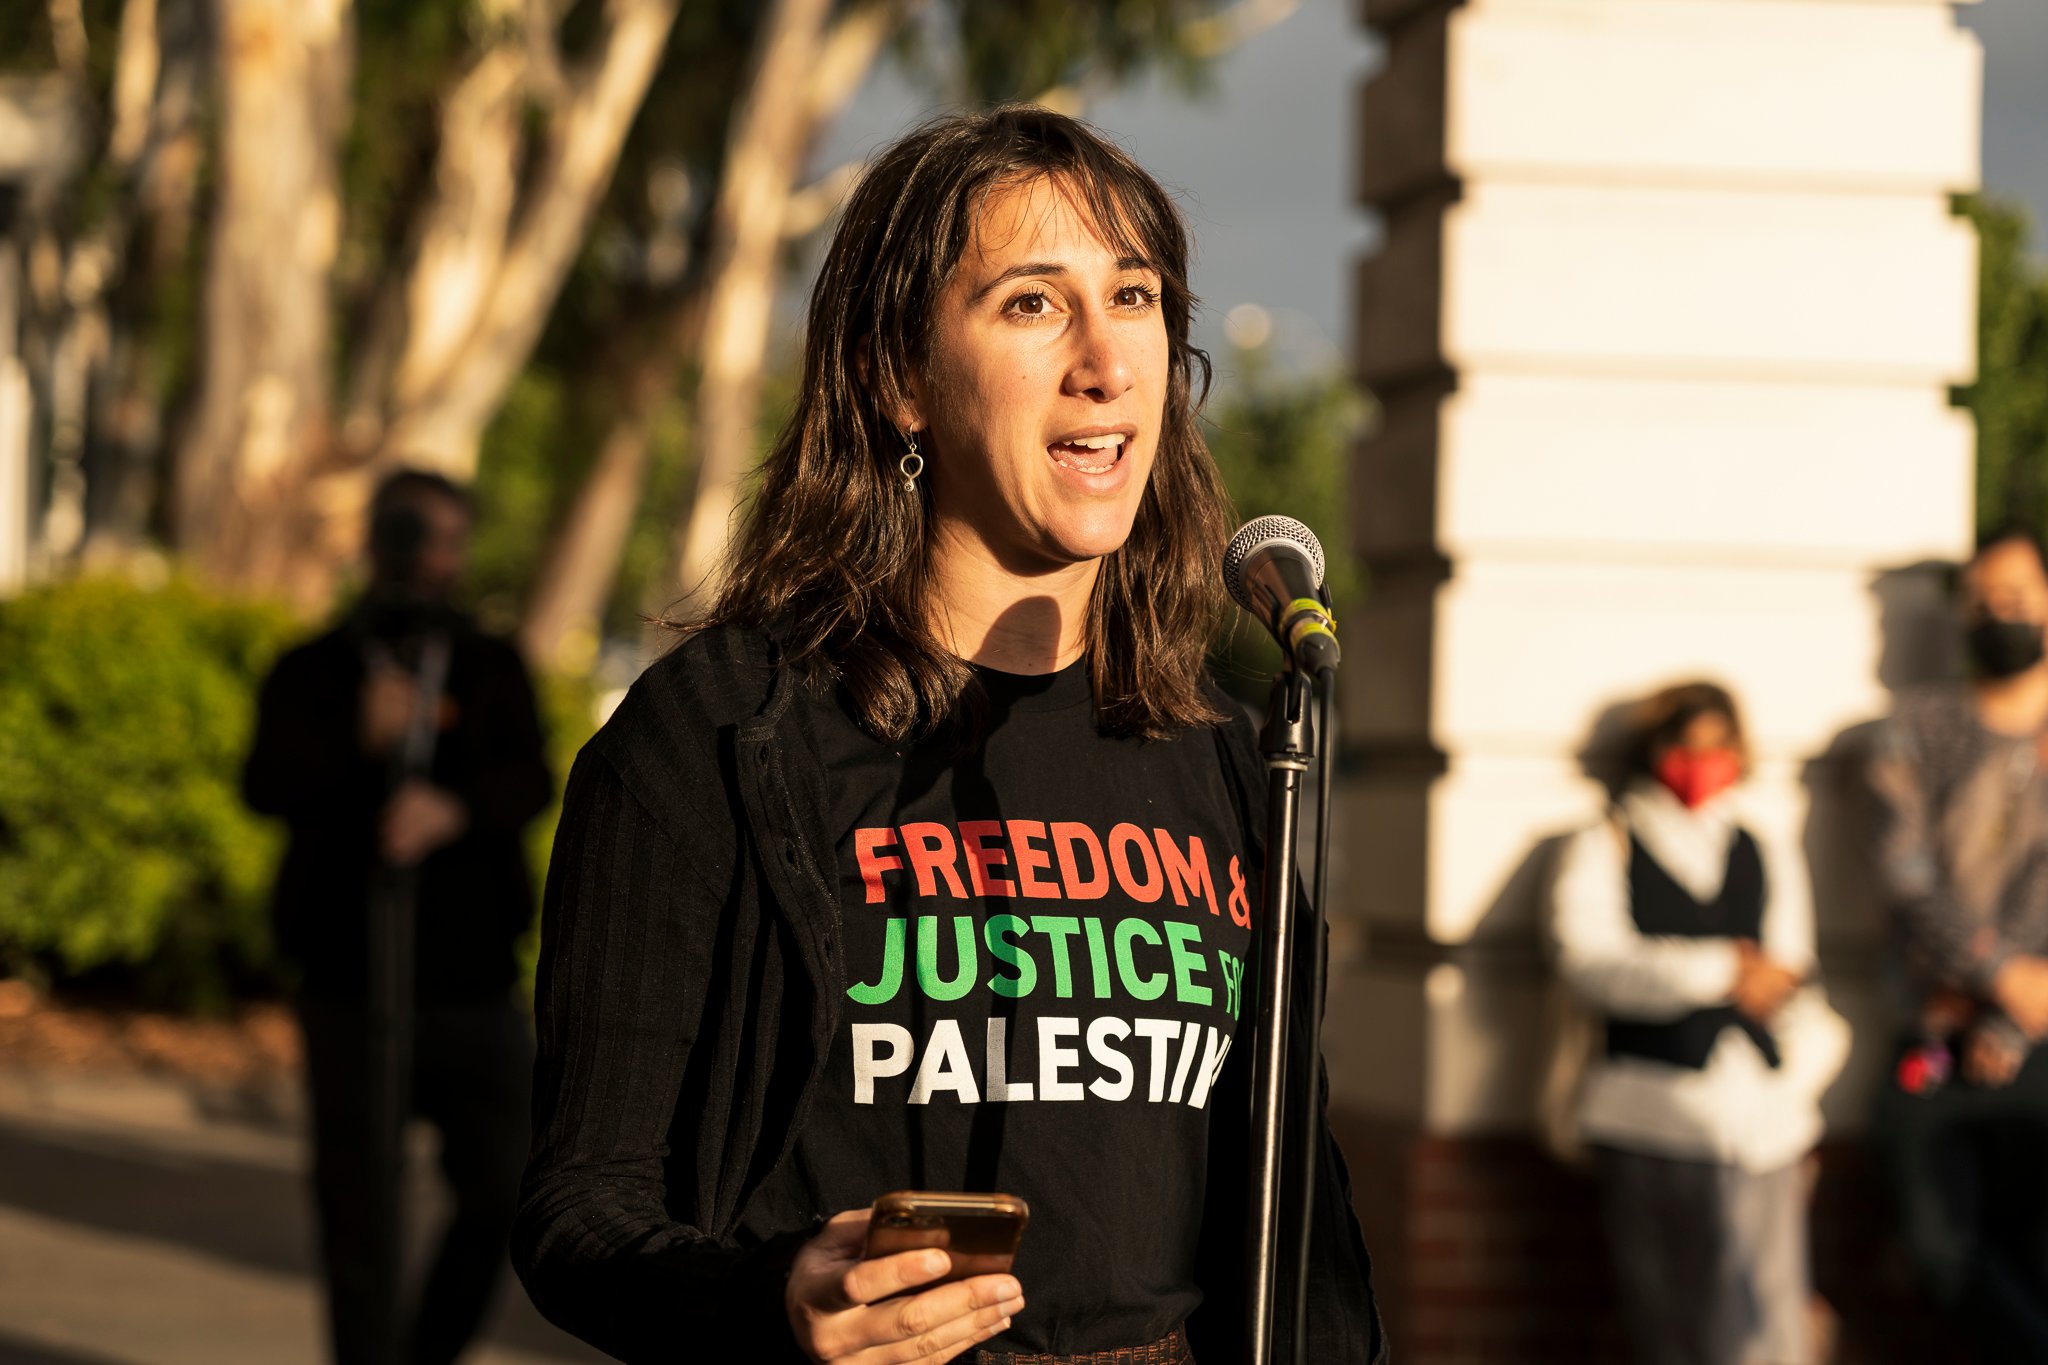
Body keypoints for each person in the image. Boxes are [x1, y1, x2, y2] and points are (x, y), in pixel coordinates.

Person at [512, 106, 1384, 1365]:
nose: (1105, 362)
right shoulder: (719, 735)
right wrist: (772, 1301)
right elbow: (579, 1209)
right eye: (1031, 304)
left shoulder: (1224, 755)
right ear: (897, 378)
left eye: (1132, 297)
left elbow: (1302, 1227)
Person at [244, 469, 553, 1365]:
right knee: (359, 1211)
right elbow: (265, 782)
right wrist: (356, 739)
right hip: (347, 980)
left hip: (470, 979)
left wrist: (454, 807)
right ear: (377, 542)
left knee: (505, 1187)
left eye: (449, 540)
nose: (433, 560)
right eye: (414, 535)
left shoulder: (491, 664)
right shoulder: (314, 668)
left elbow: (530, 778)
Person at [1549, 681, 1849, 1365]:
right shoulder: (1609, 839)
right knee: (1668, 1322)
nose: (1702, 763)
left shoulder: (1760, 843)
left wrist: (1792, 1061)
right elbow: (1589, 962)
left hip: (1759, 1121)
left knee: (1764, 1323)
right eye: (1685, 747)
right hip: (1648, 1112)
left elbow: (1791, 969)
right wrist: (1720, 970)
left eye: (1719, 747)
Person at [1869, 526, 2048, 1361]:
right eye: (1981, 601)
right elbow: (1904, 877)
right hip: (1937, 1035)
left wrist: (2016, 1016)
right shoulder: (1916, 728)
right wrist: (1999, 977)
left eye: (2015, 597)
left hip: (2040, 1043)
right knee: (1941, 1252)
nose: (1997, 615)